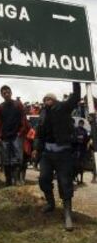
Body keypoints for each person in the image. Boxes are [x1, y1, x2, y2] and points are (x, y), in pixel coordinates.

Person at [32, 83, 81, 231]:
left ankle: (67, 214)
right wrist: (36, 150)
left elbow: (76, 97)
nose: (46, 101)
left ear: (54, 100)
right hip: (47, 153)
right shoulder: (42, 114)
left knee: (65, 182)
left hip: (63, 153)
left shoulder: (63, 108)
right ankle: (51, 203)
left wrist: (76, 80)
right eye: (45, 99)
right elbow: (39, 135)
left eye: (49, 99)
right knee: (43, 179)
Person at [0, 86, 27, 186]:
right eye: (4, 93)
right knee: (6, 160)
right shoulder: (0, 107)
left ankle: (17, 180)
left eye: (8, 92)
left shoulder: (18, 105)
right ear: (1, 95)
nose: (6, 94)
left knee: (17, 159)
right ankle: (8, 181)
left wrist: (20, 132)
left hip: (16, 136)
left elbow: (23, 119)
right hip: (5, 137)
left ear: (11, 92)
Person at [73, 119, 89, 184]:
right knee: (76, 165)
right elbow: (74, 139)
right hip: (77, 150)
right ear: (79, 124)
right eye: (80, 124)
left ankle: (81, 179)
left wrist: (81, 139)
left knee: (81, 166)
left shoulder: (84, 131)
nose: (81, 125)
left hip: (82, 150)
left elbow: (86, 139)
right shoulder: (76, 130)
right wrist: (80, 139)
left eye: (82, 124)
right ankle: (76, 178)